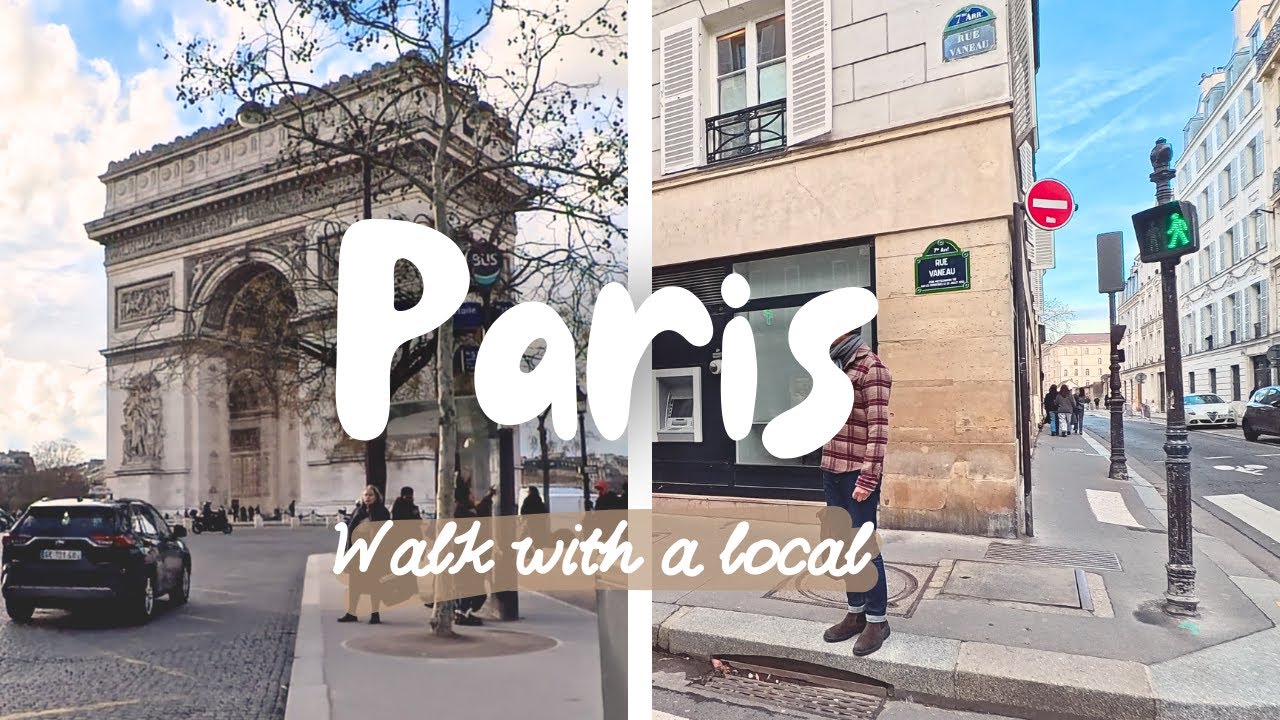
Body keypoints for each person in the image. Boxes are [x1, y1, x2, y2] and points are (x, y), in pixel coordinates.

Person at [820, 329, 892, 657]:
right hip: (832, 469)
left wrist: (867, 479)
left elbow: (878, 431)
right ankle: (856, 612)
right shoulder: (834, 367)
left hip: (856, 473)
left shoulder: (872, 368)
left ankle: (877, 621)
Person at [338, 485, 391, 625]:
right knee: (354, 584)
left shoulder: (382, 512)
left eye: (371, 495)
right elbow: (350, 530)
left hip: (374, 552)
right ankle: (351, 613)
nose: (368, 497)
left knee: (374, 584)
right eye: (366, 495)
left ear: (376, 497)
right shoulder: (358, 511)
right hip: (357, 551)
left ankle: (375, 614)